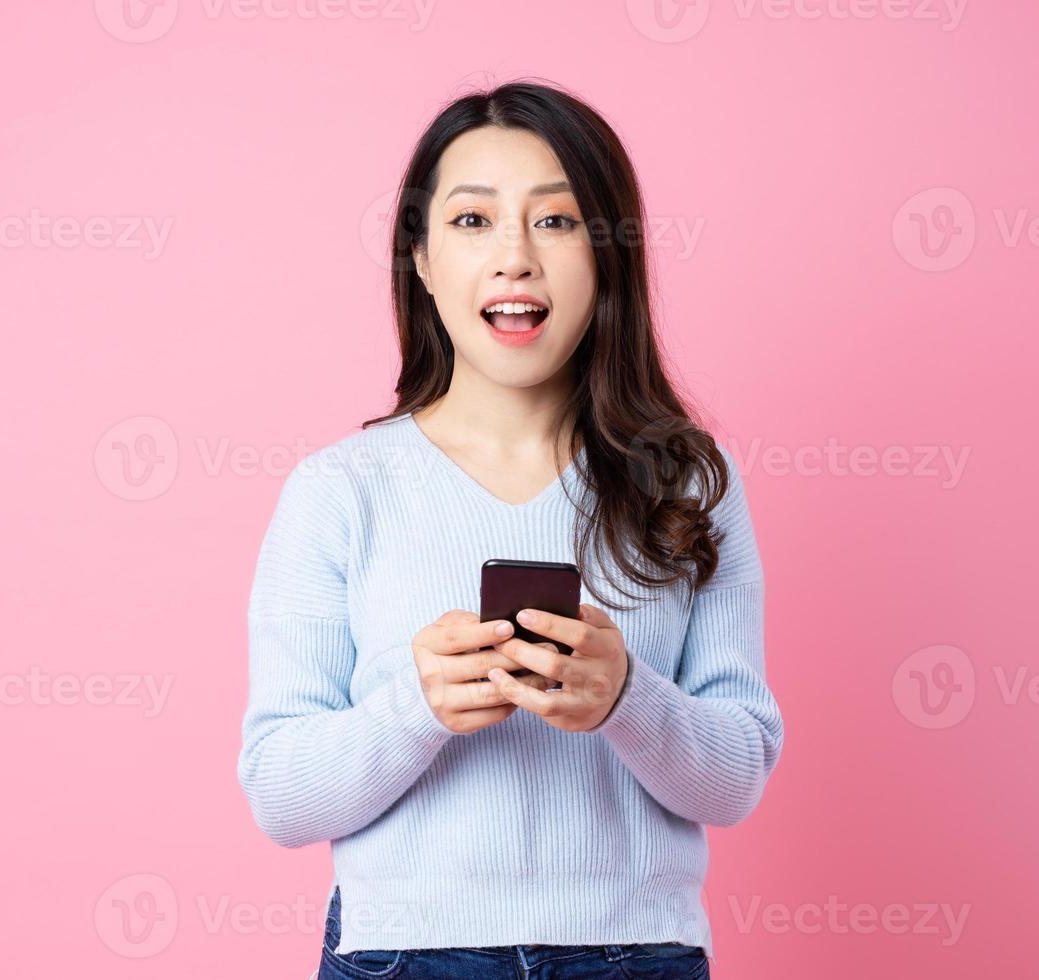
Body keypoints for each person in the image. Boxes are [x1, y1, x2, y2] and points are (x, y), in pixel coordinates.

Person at [237, 79, 783, 979]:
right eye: (472, 221)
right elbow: (281, 796)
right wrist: (418, 708)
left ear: (610, 255)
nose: (515, 259)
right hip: (404, 957)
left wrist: (625, 699)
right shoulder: (339, 491)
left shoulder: (685, 484)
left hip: (634, 954)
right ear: (418, 258)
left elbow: (736, 781)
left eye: (558, 221)